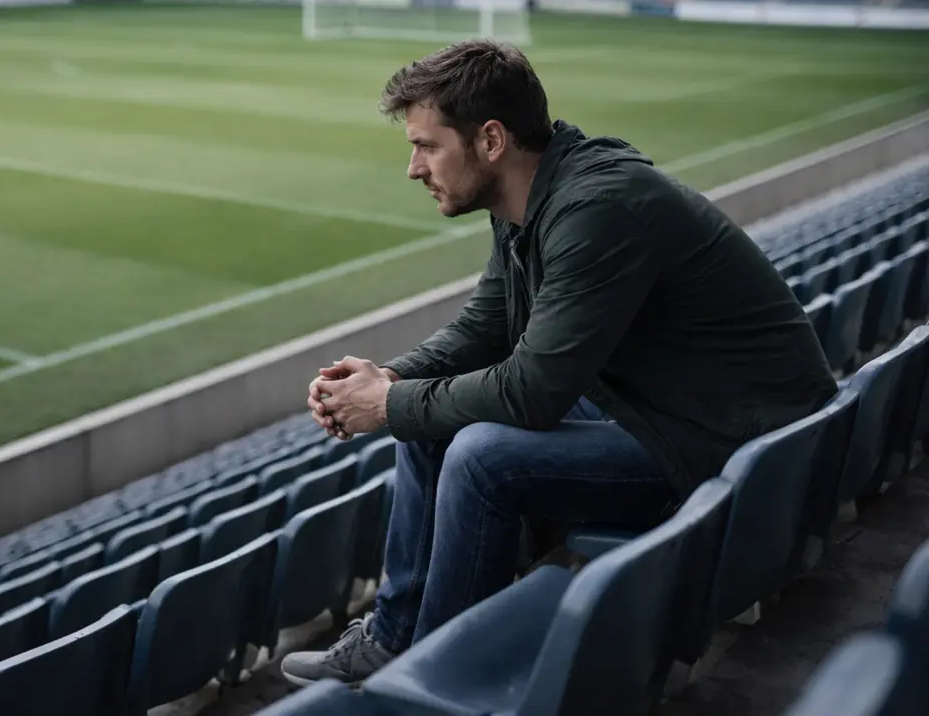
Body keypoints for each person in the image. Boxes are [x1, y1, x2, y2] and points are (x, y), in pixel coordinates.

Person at [280, 39, 839, 688]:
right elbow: (485, 326)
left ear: (491, 140)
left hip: (736, 443)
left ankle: (437, 677)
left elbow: (533, 393)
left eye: (427, 146)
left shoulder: (595, 209)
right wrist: (389, 379)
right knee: (429, 415)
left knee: (482, 456)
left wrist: (387, 404)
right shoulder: (533, 196)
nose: (413, 168)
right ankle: (395, 639)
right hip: (675, 412)